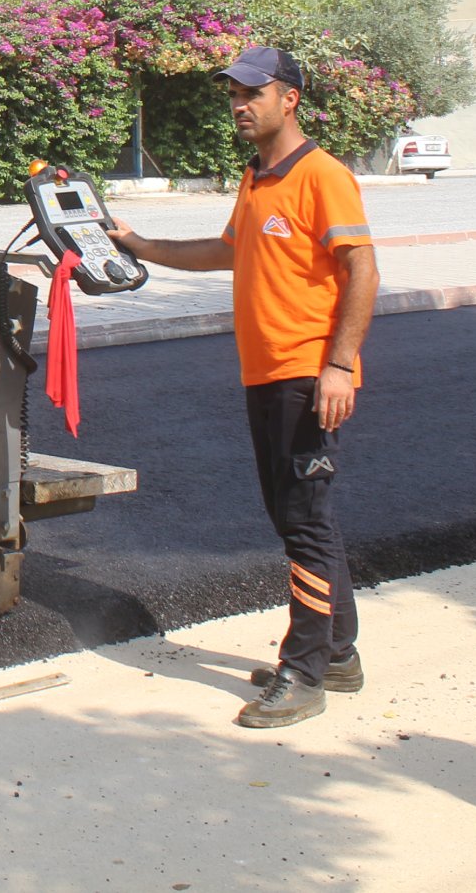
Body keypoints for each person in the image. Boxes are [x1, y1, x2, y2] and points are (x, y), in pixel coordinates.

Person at [106, 46, 380, 730]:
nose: (240, 102)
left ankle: (306, 670)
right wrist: (140, 243)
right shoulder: (257, 178)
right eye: (234, 91)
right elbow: (226, 251)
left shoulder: (323, 175)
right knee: (302, 514)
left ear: (289, 98)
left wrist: (340, 364)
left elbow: (363, 269)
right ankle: (337, 652)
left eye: (253, 91)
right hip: (265, 372)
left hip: (306, 376)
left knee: (305, 519)